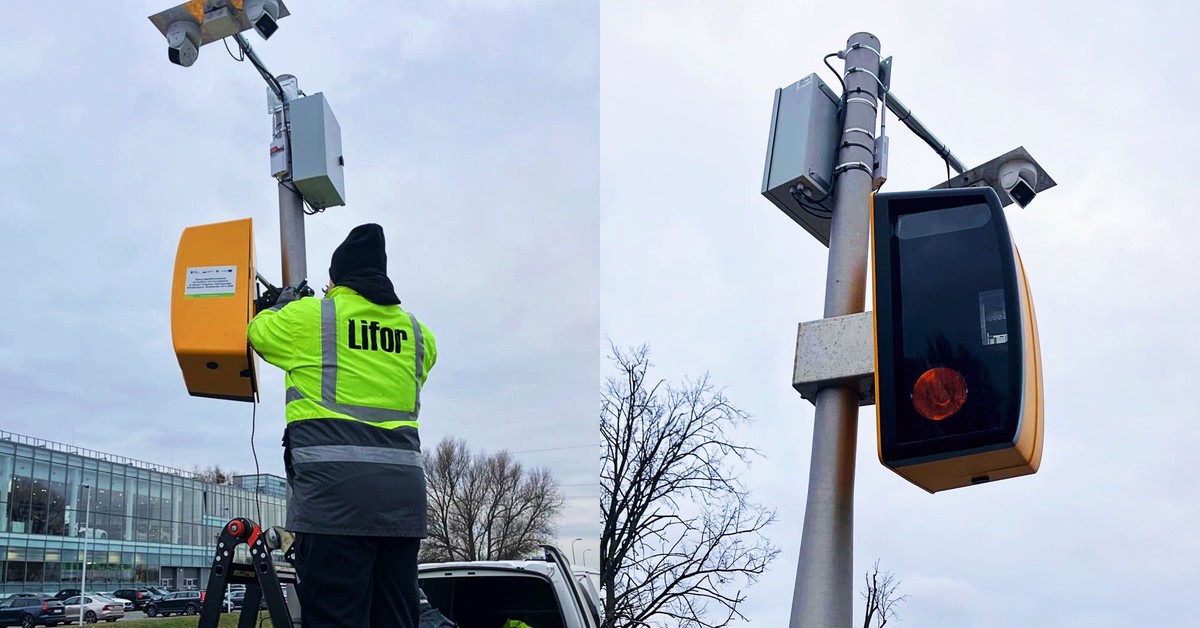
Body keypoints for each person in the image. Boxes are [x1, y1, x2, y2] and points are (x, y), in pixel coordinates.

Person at [247, 223, 437, 628]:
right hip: (402, 504)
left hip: (335, 503)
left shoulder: (312, 317)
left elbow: (258, 333)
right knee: (396, 619)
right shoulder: (419, 335)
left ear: (335, 279)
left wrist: (283, 303)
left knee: (337, 618)